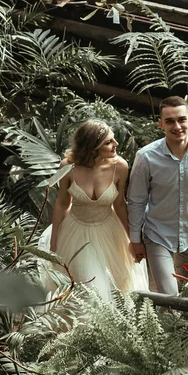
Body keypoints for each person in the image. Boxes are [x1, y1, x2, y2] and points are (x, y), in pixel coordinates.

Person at [127, 96, 188, 296]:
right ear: (160, 124)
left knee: (182, 287)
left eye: (181, 119)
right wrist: (135, 239)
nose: (177, 126)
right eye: (170, 121)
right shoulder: (146, 157)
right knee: (170, 296)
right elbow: (136, 201)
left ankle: (172, 325)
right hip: (157, 235)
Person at [48, 119, 149, 301]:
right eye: (108, 142)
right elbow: (62, 203)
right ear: (92, 147)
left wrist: (132, 239)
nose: (115, 144)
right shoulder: (67, 167)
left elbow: (119, 204)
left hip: (109, 233)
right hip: (75, 234)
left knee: (115, 290)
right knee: (88, 289)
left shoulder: (120, 167)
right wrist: (54, 240)